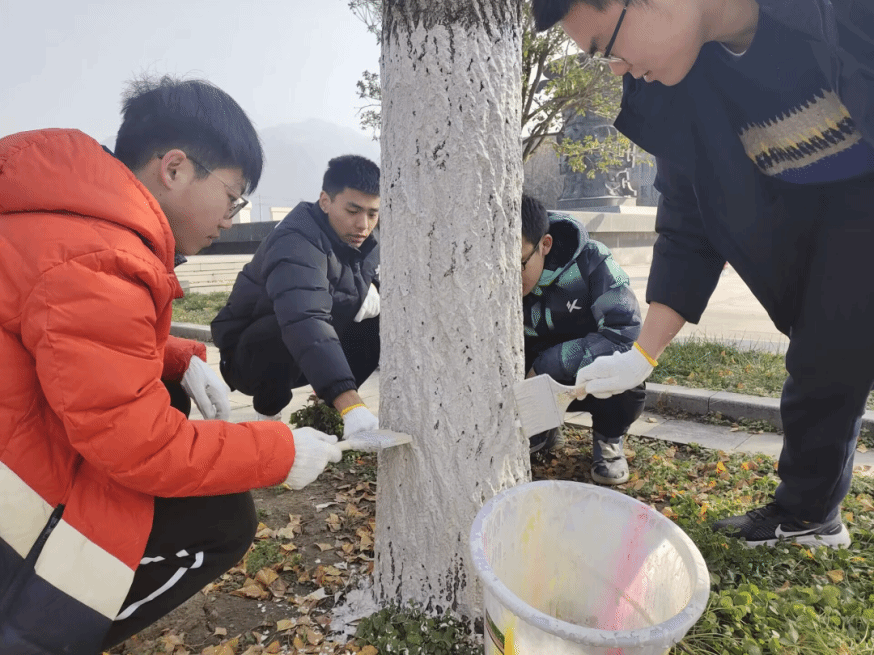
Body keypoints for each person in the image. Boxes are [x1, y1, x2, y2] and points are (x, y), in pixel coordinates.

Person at [0, 74, 343, 654]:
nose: (231, 219)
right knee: (225, 523)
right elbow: (139, 444)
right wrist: (282, 450)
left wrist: (177, 357)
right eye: (232, 196)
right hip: (17, 479)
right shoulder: (102, 257)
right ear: (176, 168)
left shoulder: (66, 221)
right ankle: (35, 633)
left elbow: (66, 330)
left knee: (173, 404)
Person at [531, 0, 873, 547]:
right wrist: (641, 355)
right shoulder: (679, 88)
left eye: (607, 48)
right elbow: (687, 220)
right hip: (814, 219)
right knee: (823, 358)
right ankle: (808, 516)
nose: (616, 70)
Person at [211, 155, 381, 439]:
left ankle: (326, 408)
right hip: (249, 357)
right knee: (285, 321)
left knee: (378, 320)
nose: (363, 225)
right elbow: (304, 316)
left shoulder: (367, 240)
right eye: (352, 210)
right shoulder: (295, 240)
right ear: (325, 201)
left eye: (373, 214)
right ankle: (268, 420)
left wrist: (371, 290)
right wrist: (351, 405)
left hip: (306, 355)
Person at [521, 194, 645, 484]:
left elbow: (625, 334)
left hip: (580, 377)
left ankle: (609, 439)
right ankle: (540, 429)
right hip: (529, 373)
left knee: (624, 376)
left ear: (545, 244)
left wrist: (546, 366)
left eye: (520, 264)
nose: (509, 279)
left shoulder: (592, 261)